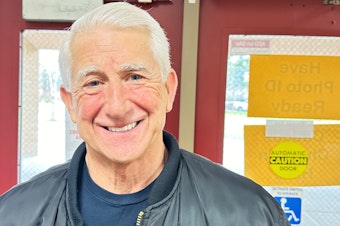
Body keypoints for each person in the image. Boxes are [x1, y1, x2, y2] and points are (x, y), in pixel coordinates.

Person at [0, 2, 290, 226]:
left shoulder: (250, 212)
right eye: (94, 83)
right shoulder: (13, 214)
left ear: (168, 90)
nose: (117, 107)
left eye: (135, 77)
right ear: (70, 103)